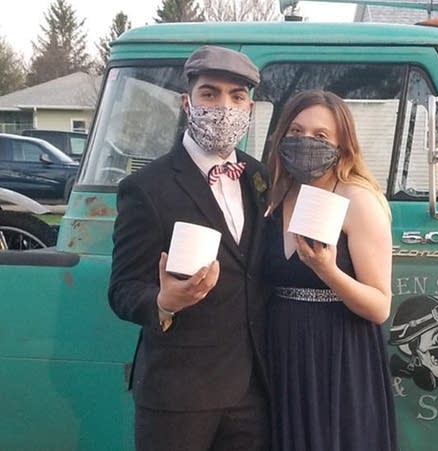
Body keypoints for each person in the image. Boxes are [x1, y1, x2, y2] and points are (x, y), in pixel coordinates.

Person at [108, 45, 270, 451]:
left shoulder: (258, 175)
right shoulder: (146, 188)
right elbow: (123, 288)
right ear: (187, 102)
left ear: (250, 108)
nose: (224, 106)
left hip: (254, 391)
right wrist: (163, 302)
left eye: (237, 97)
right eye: (209, 93)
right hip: (179, 395)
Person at [264, 89, 397, 451]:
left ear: (342, 145)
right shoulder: (277, 196)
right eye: (295, 131)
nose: (305, 141)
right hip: (281, 352)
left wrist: (328, 271)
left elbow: (379, 305)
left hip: (337, 355)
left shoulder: (357, 200)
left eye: (321, 136)